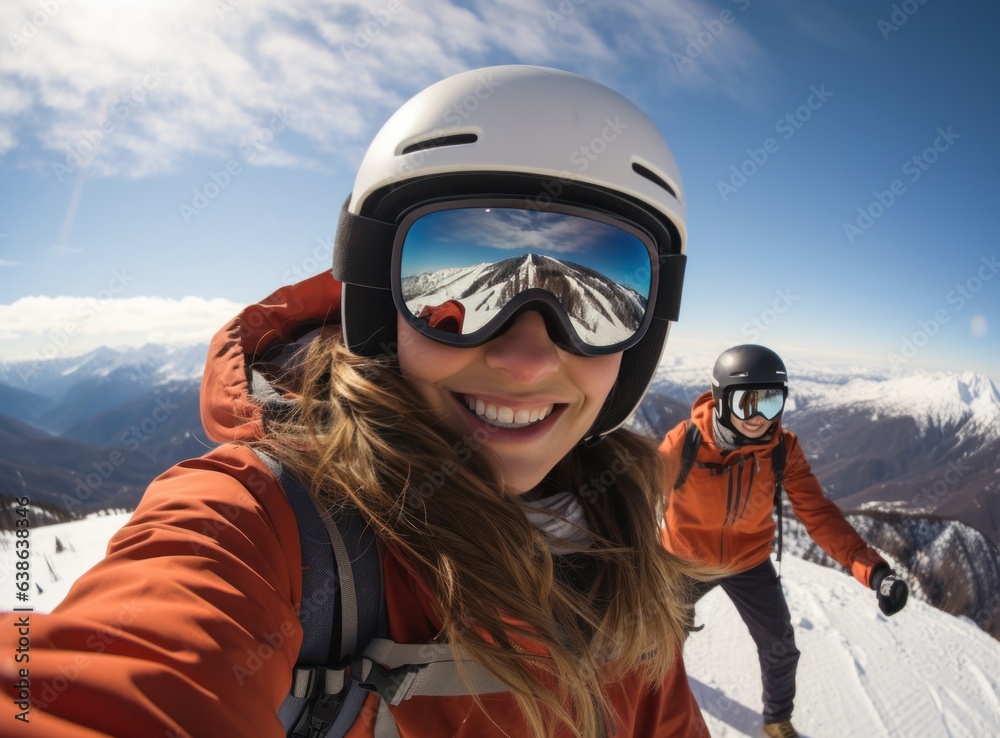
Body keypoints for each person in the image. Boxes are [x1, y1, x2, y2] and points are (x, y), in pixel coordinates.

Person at [1, 66, 713, 737]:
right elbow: (119, 682)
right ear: (375, 302)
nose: (526, 358)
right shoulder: (264, 524)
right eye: (451, 291)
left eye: (596, 303)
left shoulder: (618, 549)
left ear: (643, 341)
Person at [659, 344, 910, 738]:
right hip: (685, 560)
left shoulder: (782, 449)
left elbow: (819, 515)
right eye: (747, 403)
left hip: (748, 560)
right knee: (654, 645)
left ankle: (777, 720)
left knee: (779, 647)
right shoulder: (685, 442)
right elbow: (637, 497)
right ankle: (659, 713)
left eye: (771, 402)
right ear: (723, 399)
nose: (759, 418)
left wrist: (873, 570)